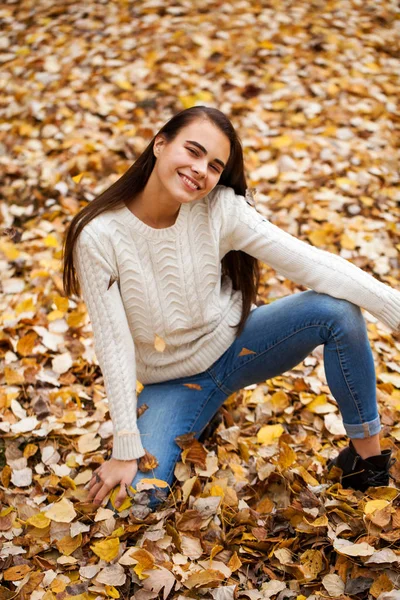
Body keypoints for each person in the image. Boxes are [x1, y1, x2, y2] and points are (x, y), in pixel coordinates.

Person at [62, 106, 399, 513]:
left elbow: (312, 263)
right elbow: (114, 345)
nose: (200, 169)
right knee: (137, 504)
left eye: (215, 165)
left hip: (240, 345)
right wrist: (125, 446)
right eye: (193, 150)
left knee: (338, 312)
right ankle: (196, 417)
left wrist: (392, 308)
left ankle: (367, 464)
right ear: (160, 143)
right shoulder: (98, 236)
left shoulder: (219, 207)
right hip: (170, 382)